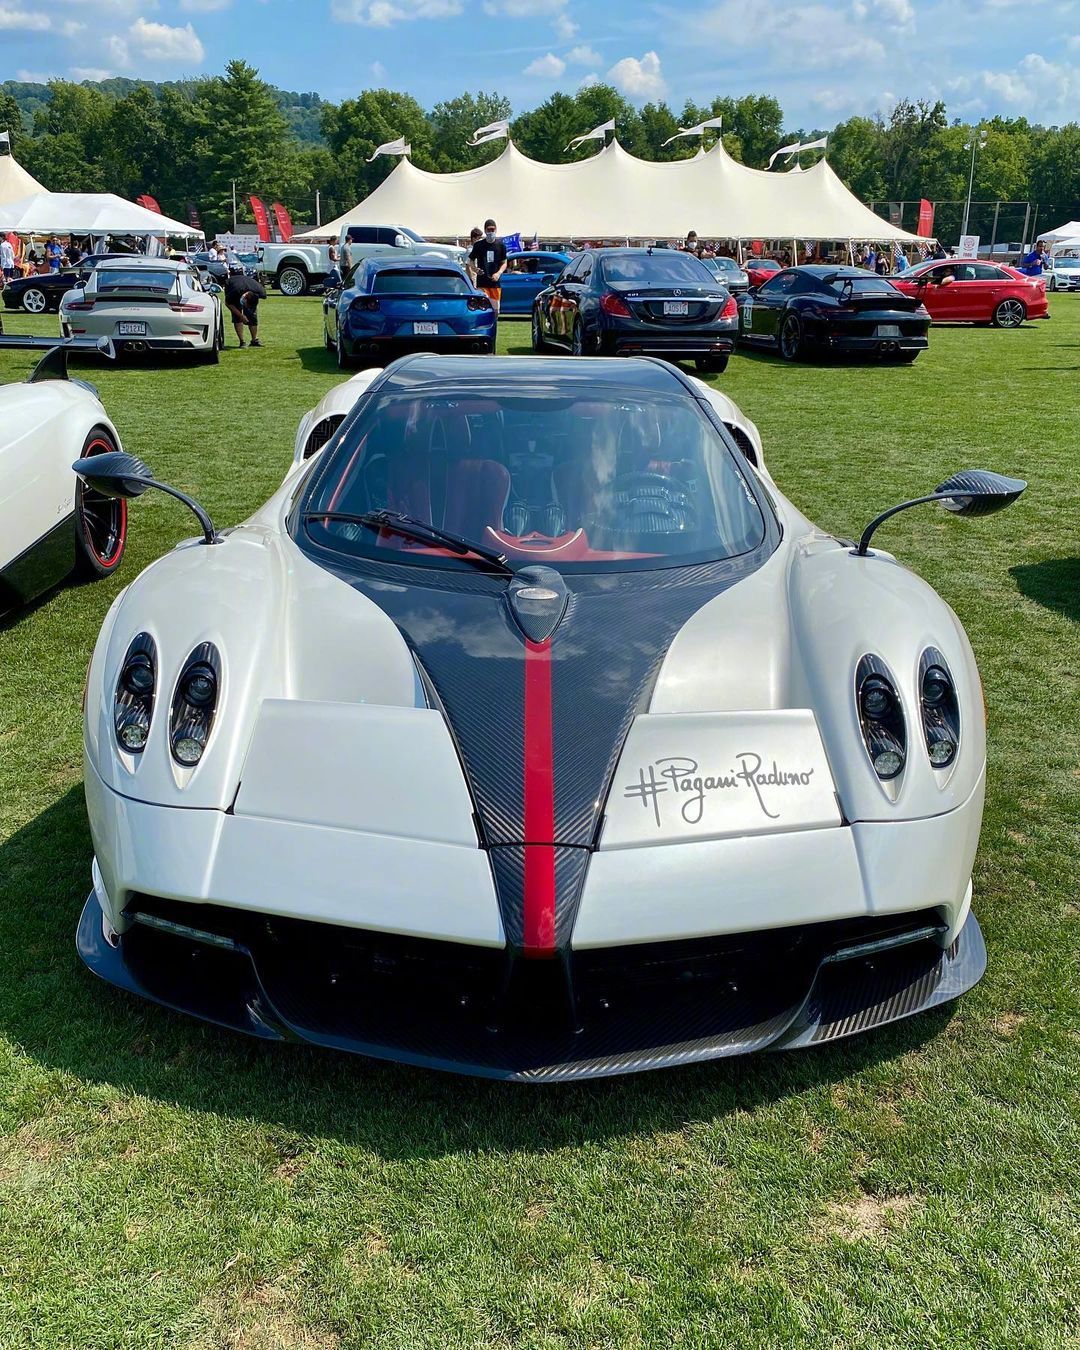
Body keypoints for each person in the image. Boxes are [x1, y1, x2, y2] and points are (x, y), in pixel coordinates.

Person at [468, 219, 507, 312]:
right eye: (489, 230)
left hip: (495, 284)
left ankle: (494, 325)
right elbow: (470, 260)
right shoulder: (479, 245)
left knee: (496, 310)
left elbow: (504, 262)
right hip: (482, 283)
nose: (491, 232)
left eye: (493, 230)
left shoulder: (501, 245)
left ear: (496, 230)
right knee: (482, 309)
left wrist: (498, 273)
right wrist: (475, 269)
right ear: (485, 230)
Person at [224, 263, 266, 348]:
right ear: (245, 298)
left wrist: (250, 310)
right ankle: (242, 341)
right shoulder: (234, 291)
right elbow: (227, 303)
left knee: (253, 316)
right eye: (246, 304)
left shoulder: (260, 291)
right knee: (237, 317)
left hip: (248, 287)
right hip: (234, 286)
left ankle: (254, 340)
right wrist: (241, 315)